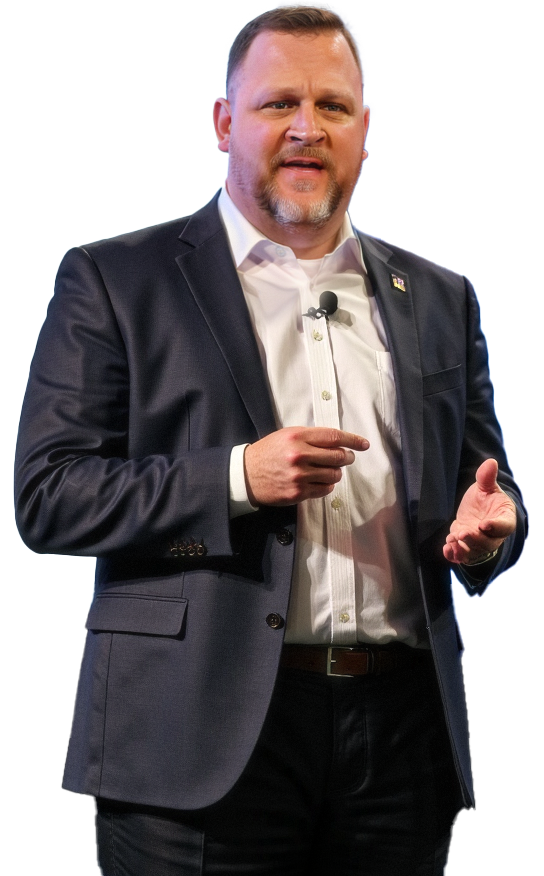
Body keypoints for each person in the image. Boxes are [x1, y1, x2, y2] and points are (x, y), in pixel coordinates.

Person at [14, 6, 527, 875]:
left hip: (400, 743)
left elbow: (489, 486)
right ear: (224, 123)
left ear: (364, 133)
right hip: (193, 739)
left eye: (332, 107)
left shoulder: (441, 297)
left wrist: (495, 529)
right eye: (277, 103)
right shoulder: (116, 280)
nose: (305, 128)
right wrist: (237, 477)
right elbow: (49, 496)